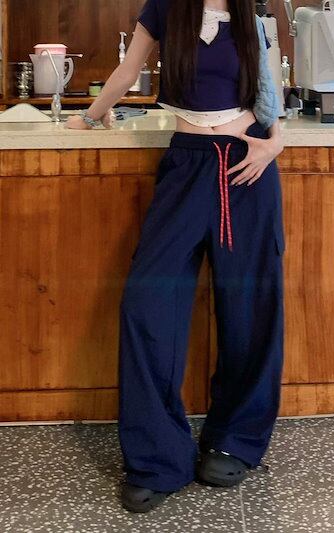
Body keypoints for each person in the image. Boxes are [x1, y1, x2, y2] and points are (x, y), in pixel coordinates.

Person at [66, 0, 286, 514]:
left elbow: (271, 92)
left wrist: (275, 144)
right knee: (147, 306)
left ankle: (235, 440)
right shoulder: (166, 7)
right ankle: (158, 457)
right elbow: (128, 70)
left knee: (251, 309)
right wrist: (89, 118)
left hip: (248, 168)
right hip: (186, 165)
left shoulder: (254, 14)